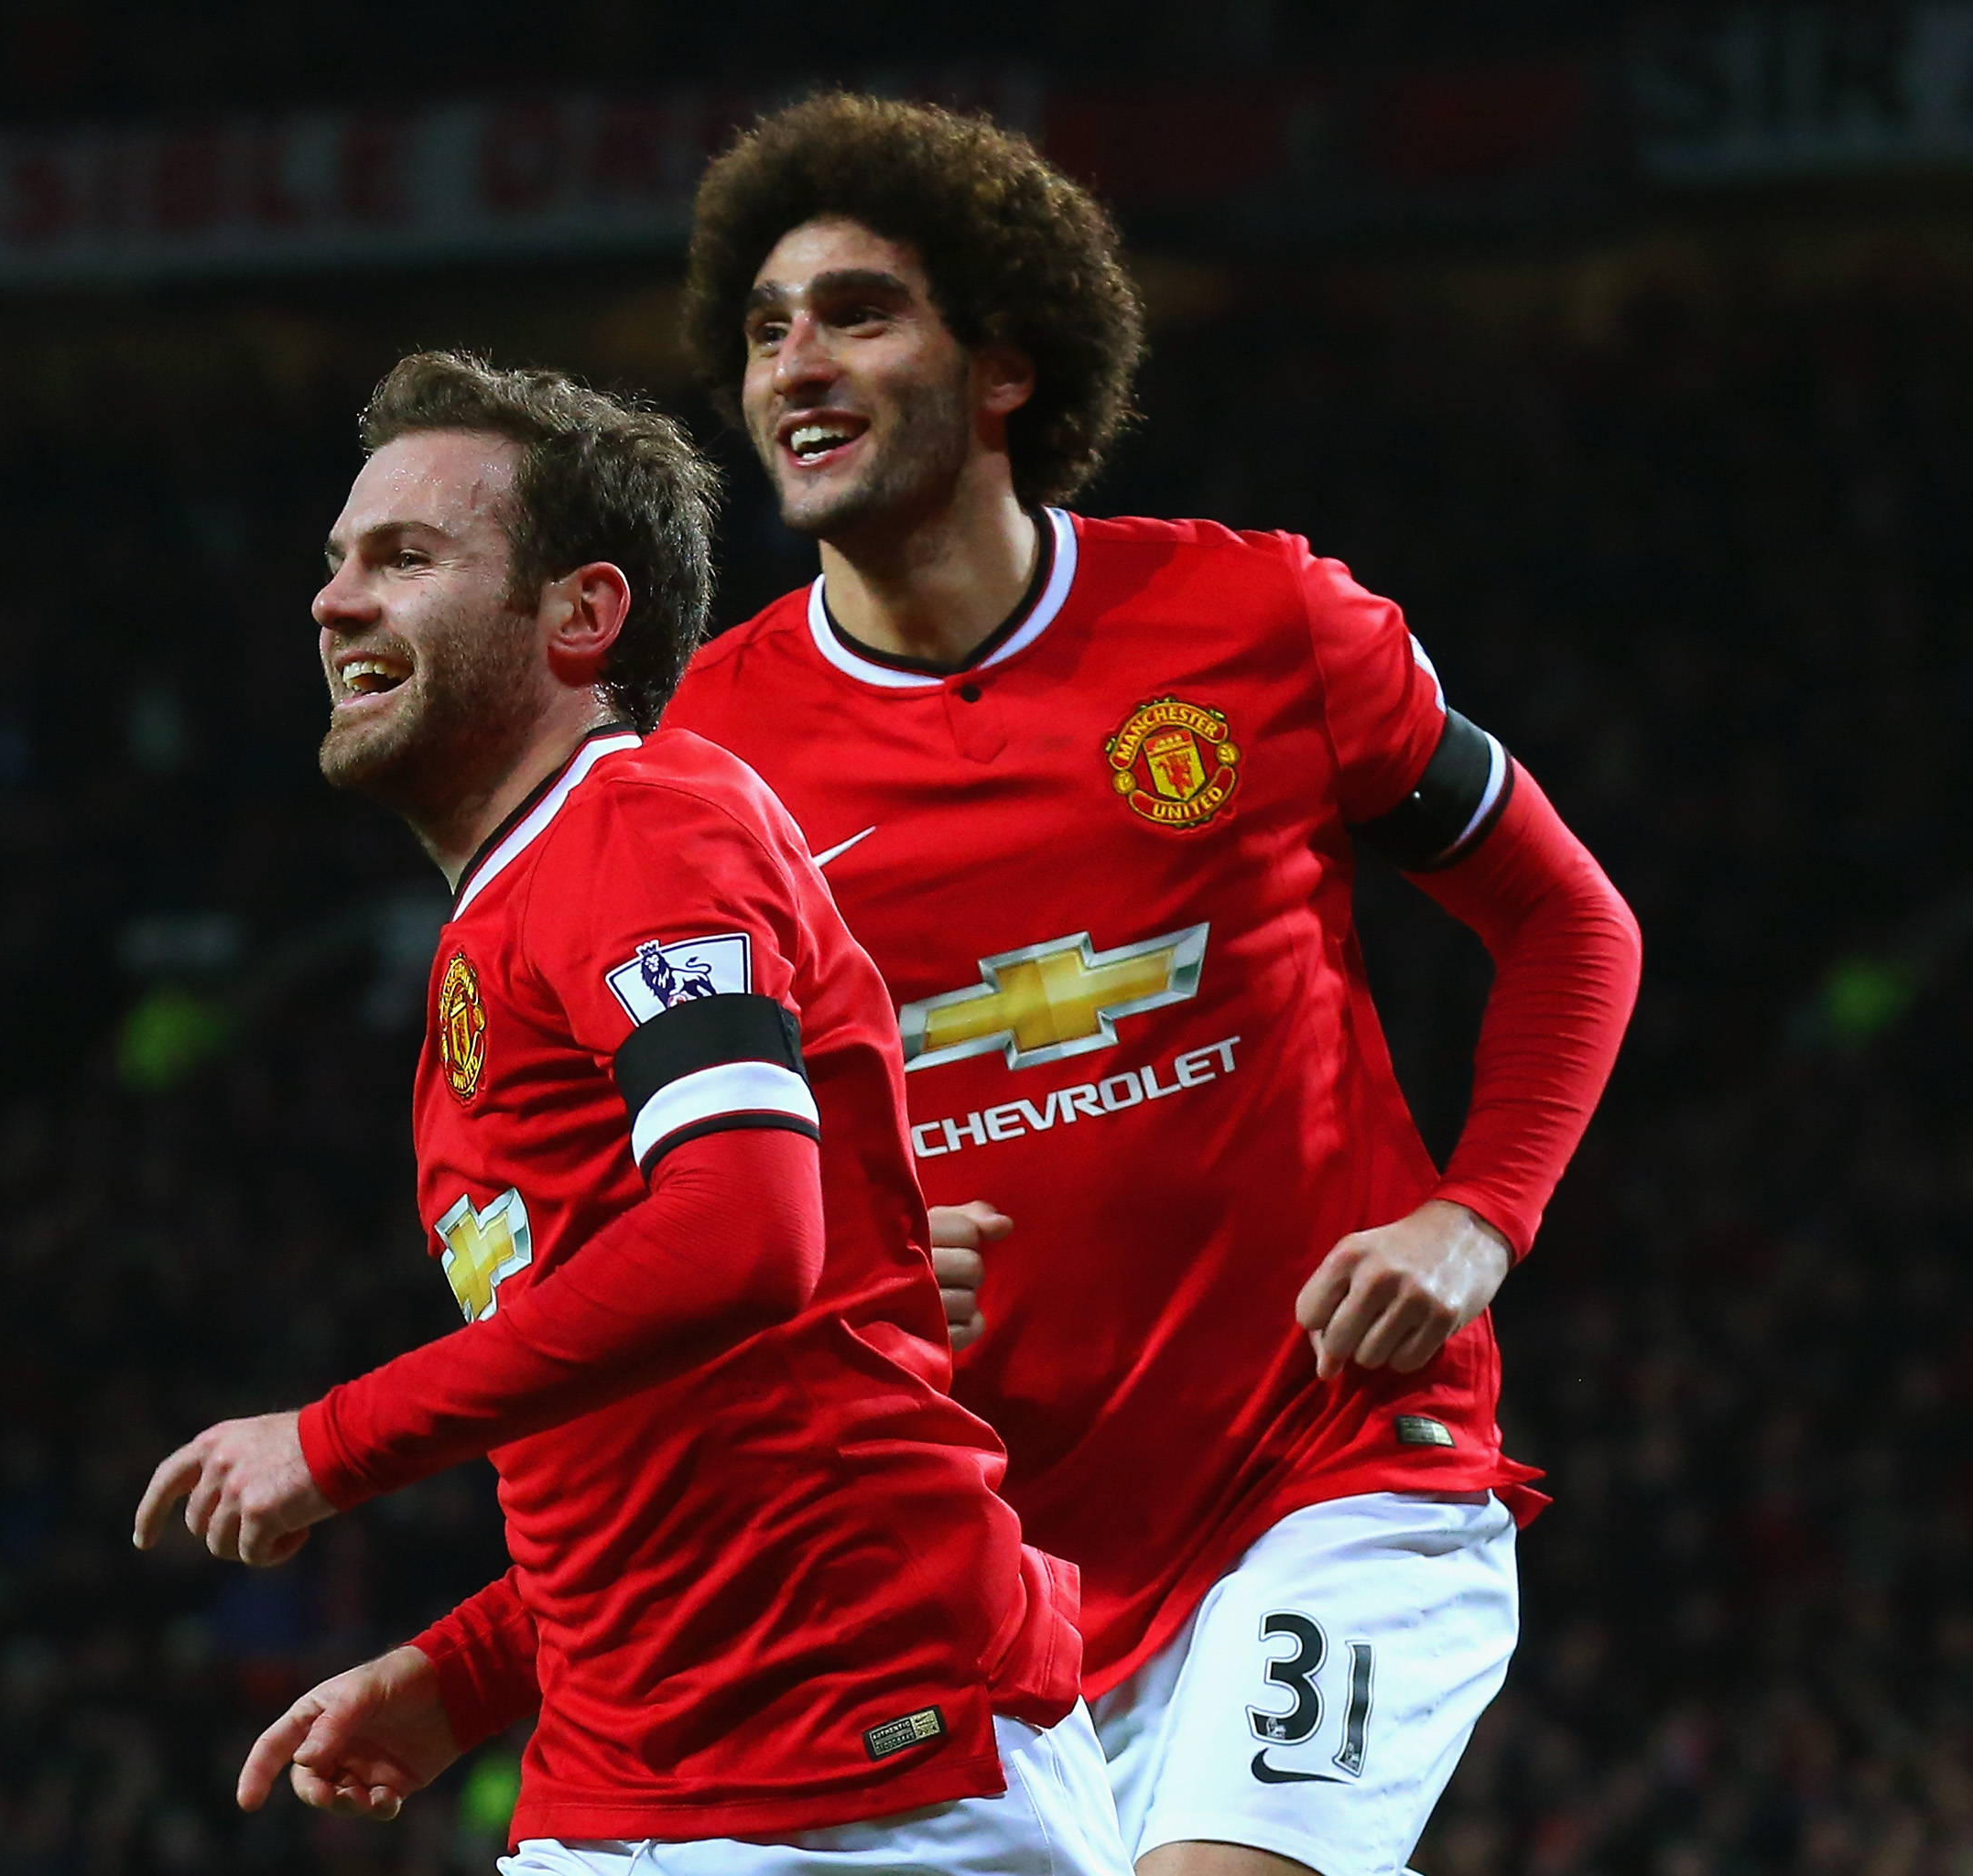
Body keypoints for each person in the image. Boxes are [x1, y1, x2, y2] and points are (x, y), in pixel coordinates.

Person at [645, 98, 1642, 1876]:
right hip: (992, 1579)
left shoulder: (1258, 624)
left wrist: (1476, 1221)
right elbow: (703, 1190)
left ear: (1005, 362)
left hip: (1333, 1473)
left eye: (858, 310)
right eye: (764, 324)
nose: (795, 356)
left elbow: (1571, 924)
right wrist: (837, 1273)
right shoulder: (707, 759)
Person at [129, 352, 1128, 1876]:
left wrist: (331, 1444)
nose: (335, 601)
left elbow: (741, 1237)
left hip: (867, 1780)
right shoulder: (507, 921)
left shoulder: (648, 821)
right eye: (336, 561)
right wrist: (466, 1674)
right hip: (632, 1780)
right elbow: (673, 1422)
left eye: (405, 557)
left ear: (582, 617)